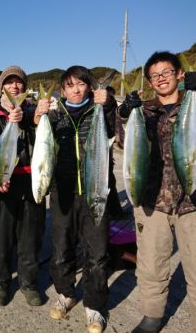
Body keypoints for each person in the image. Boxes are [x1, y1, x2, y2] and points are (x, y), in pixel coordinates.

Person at [118, 51, 196, 333]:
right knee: (150, 267)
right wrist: (124, 112)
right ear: (149, 81)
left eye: (167, 72)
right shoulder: (145, 110)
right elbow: (123, 139)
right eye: (155, 75)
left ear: (179, 75)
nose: (161, 79)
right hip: (153, 202)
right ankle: (152, 316)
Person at [34, 66, 117, 333]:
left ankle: (94, 306)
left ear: (90, 87)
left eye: (82, 84)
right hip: (63, 192)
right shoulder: (55, 116)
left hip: (96, 189)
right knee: (61, 249)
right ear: (63, 89)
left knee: (97, 253)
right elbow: (38, 139)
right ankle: (66, 293)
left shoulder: (100, 110)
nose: (76, 89)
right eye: (70, 85)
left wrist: (110, 103)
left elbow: (118, 127)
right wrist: (38, 116)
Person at [0, 65, 46, 307]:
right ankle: (0, 284)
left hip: (32, 182)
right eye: (9, 83)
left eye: (18, 82)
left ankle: (28, 284)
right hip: (5, 182)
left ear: (24, 86)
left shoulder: (33, 113)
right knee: (1, 239)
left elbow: (44, 139)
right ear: (1, 87)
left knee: (30, 238)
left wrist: (33, 118)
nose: (14, 86)